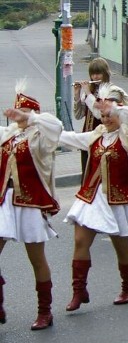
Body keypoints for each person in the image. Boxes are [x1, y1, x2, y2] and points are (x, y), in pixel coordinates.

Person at [60, 88, 128, 312]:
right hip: (91, 198)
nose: (105, 119)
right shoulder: (96, 135)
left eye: (109, 115)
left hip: (119, 200)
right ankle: (78, 290)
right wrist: (34, 123)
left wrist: (116, 108)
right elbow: (69, 137)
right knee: (80, 242)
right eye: (102, 116)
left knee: (121, 248)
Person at [1, 89, 62, 330]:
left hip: (31, 202)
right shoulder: (9, 135)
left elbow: (55, 125)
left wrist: (32, 117)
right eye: (17, 111)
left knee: (36, 258)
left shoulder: (41, 136)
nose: (19, 116)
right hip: (5, 201)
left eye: (24, 111)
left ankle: (44, 311)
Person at [73, 58, 128, 173]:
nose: (95, 77)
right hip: (88, 139)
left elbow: (100, 114)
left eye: (98, 73)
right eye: (92, 74)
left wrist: (88, 93)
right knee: (87, 173)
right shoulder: (90, 91)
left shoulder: (114, 91)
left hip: (105, 139)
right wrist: (77, 94)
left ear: (105, 73)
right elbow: (78, 115)